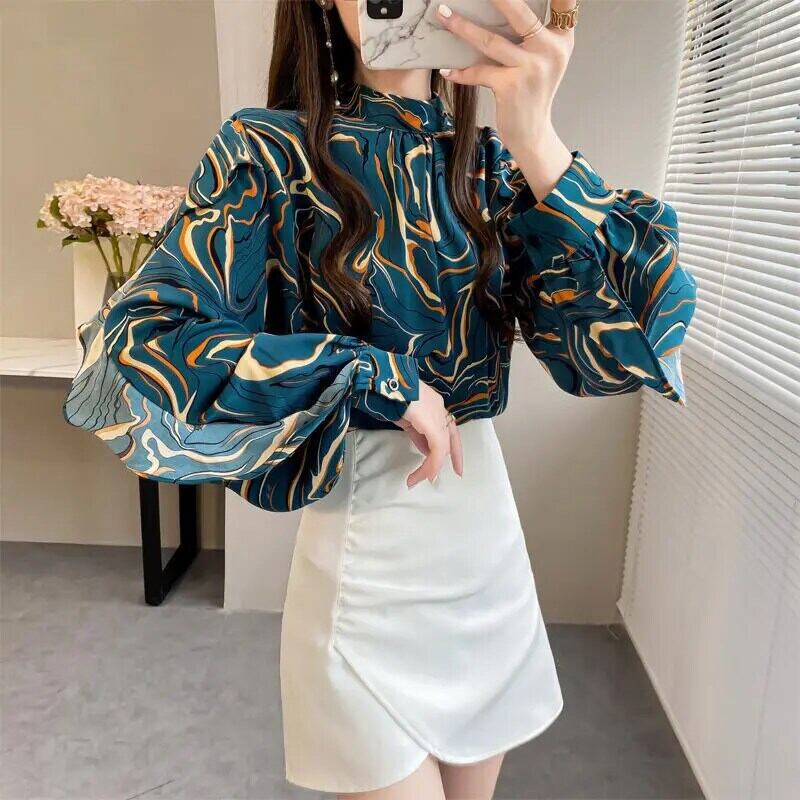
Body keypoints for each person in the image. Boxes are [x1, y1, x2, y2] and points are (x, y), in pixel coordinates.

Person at [63, 0, 697, 797]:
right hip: (366, 559)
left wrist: (538, 137)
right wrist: (374, 375)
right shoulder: (269, 151)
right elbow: (145, 340)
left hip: (485, 553)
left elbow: (634, 348)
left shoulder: (496, 169)